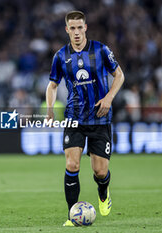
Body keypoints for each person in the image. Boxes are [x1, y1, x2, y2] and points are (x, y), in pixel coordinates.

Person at [45, 11, 125, 226]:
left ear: (86, 27)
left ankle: (103, 191)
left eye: (80, 27)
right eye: (73, 28)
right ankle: (72, 215)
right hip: (74, 118)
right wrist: (50, 109)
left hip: (100, 117)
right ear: (67, 30)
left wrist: (109, 97)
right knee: (72, 165)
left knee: (100, 171)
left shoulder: (100, 50)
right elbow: (52, 85)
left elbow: (119, 75)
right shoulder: (61, 56)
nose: (77, 32)